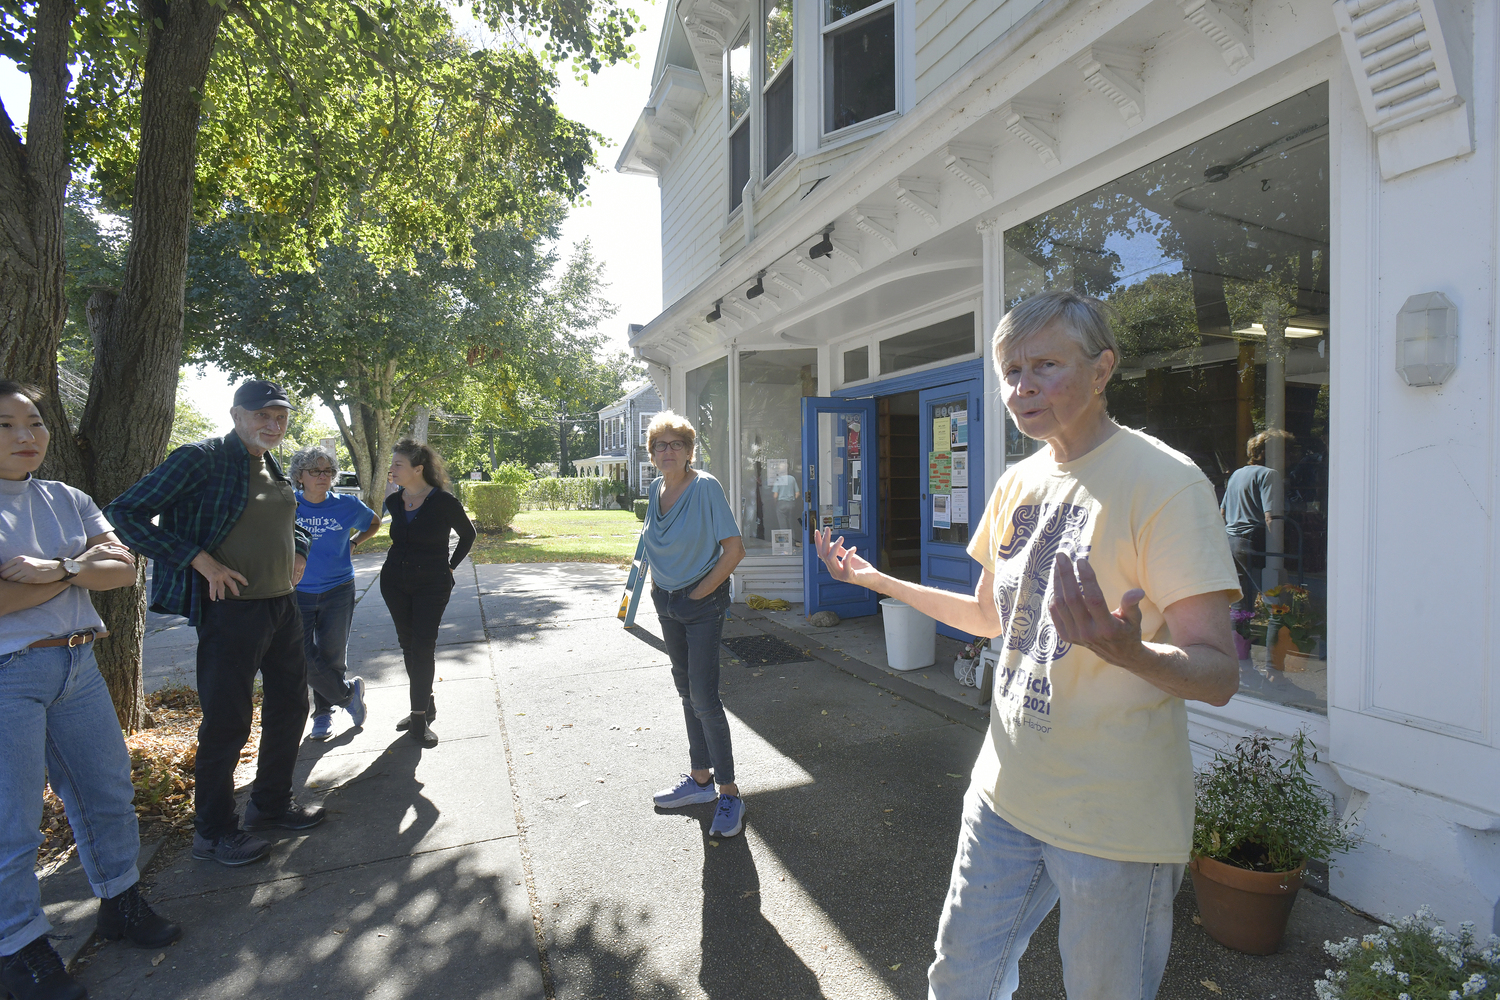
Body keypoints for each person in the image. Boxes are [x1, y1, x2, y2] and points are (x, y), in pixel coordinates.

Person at [816, 290, 1240, 1000]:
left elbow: (1219, 672)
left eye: (1045, 365)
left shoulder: (1166, 484)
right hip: (1005, 791)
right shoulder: (1018, 481)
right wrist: (878, 579)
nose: (1022, 386)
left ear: (1102, 369)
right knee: (959, 980)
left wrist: (1129, 652)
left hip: (1113, 815)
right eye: (1010, 371)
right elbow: (989, 616)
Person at [0, 380, 180, 1000]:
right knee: (13, 824)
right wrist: (79, 572)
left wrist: (60, 570)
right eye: (6, 425)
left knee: (106, 791)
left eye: (34, 422)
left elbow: (123, 569)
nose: (26, 436)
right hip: (7, 675)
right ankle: (20, 950)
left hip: (77, 665)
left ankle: (121, 901)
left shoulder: (65, 497)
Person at [107, 379, 324, 869]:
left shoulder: (270, 464)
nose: (273, 424)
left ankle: (269, 806)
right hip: (231, 611)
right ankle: (214, 831)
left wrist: (301, 551)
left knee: (292, 706)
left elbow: (288, 519)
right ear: (236, 414)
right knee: (228, 721)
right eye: (262, 415)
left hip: (282, 606)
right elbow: (123, 513)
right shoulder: (201, 458)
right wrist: (198, 560)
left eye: (281, 416)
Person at [642, 413, 748, 838]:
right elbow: (656, 542)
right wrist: (659, 588)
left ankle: (729, 793)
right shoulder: (655, 489)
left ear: (689, 450)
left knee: (704, 695)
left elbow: (734, 549)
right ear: (651, 455)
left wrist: (698, 595)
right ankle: (700, 780)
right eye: (659, 446)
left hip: (699, 603)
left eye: (675, 444)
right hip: (666, 601)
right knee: (686, 691)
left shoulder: (704, 487)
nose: (667, 451)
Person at [380, 439, 475, 748]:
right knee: (408, 646)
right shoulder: (394, 501)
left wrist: (450, 567)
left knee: (423, 646)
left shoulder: (443, 501)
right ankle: (425, 703)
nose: (392, 469)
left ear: (417, 469)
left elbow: (467, 535)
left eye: (398, 464)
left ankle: (418, 718)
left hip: (432, 584)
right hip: (394, 581)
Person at [289, 445, 381, 741]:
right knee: (300, 655)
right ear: (299, 476)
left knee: (331, 655)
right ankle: (347, 696)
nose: (322, 476)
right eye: (314, 471)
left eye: (327, 471)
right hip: (296, 591)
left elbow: (374, 523)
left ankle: (322, 715)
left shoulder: (346, 505)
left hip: (338, 589)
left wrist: (354, 543)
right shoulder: (287, 505)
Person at [1220, 429, 1292, 615]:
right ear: (1269, 452)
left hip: (1231, 540)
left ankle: (1239, 641)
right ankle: (1276, 641)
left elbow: (1222, 512)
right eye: (1285, 450)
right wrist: (1278, 550)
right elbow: (1271, 516)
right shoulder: (1270, 475)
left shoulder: (1237, 474)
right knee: (1275, 601)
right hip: (1253, 541)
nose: (1289, 455)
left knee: (1239, 604)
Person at [772, 468, 800, 533]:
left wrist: (775, 503)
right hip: (791, 503)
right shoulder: (792, 478)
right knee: (791, 523)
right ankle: (792, 541)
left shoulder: (778, 479)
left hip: (781, 503)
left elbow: (775, 495)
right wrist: (792, 500)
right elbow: (797, 493)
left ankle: (785, 541)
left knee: (783, 524)